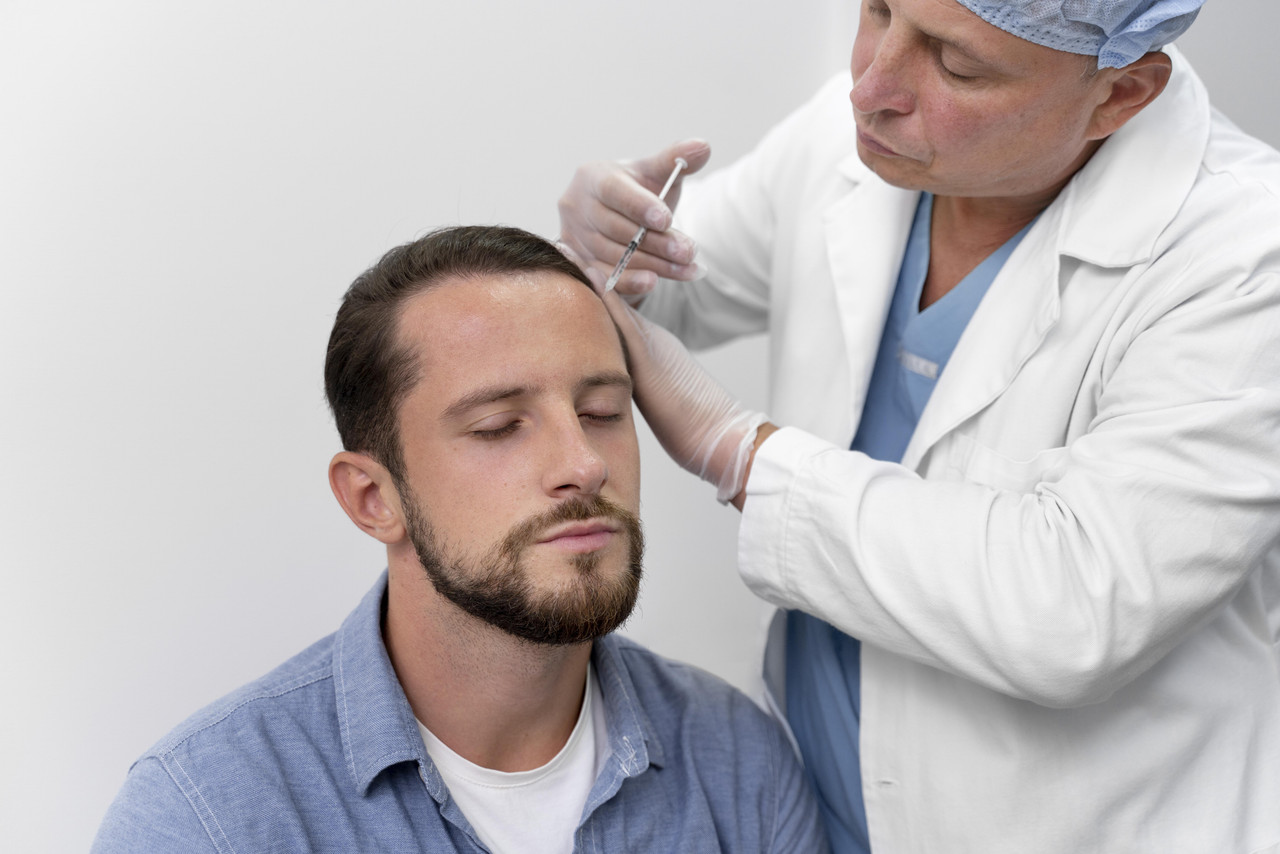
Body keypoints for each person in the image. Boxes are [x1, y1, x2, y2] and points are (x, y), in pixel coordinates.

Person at [558, 1, 1280, 852]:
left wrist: (744, 455)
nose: (869, 88)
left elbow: (1076, 608)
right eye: (879, 10)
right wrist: (611, 249)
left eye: (958, 65)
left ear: (1119, 95)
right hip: (812, 811)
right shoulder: (851, 139)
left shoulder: (1242, 254)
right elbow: (681, 285)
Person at [91, 225, 826, 853]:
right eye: (499, 427)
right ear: (374, 499)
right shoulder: (205, 816)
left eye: (602, 411)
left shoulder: (738, 766)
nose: (584, 464)